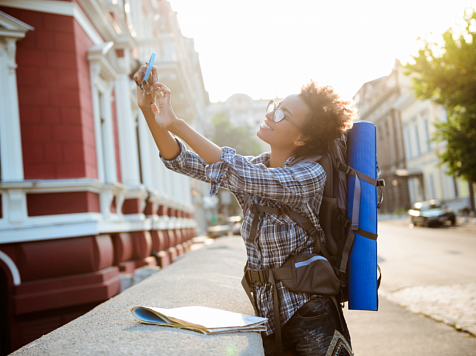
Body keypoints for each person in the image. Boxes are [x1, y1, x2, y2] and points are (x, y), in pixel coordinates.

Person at [133, 65, 357, 356]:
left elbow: (238, 173)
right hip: (269, 316)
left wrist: (175, 123)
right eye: (274, 107)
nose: (270, 114)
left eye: (282, 115)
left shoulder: (310, 175)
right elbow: (181, 160)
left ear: (301, 138)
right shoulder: (257, 166)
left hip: (311, 318)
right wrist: (149, 110)